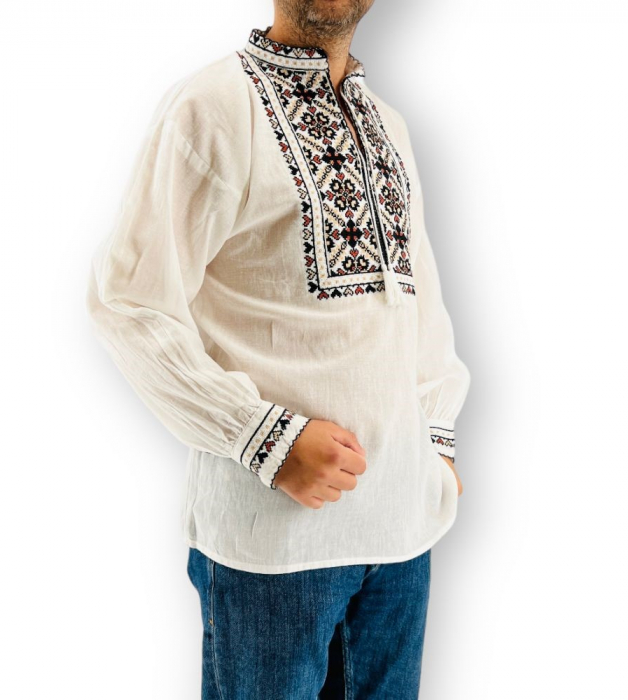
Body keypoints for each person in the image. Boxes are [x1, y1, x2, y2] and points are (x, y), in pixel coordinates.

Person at [86, 1, 472, 697]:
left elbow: (420, 305)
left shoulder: (388, 125)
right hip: (273, 548)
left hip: (401, 541)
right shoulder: (211, 108)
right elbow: (129, 302)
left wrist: (436, 442)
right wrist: (265, 438)